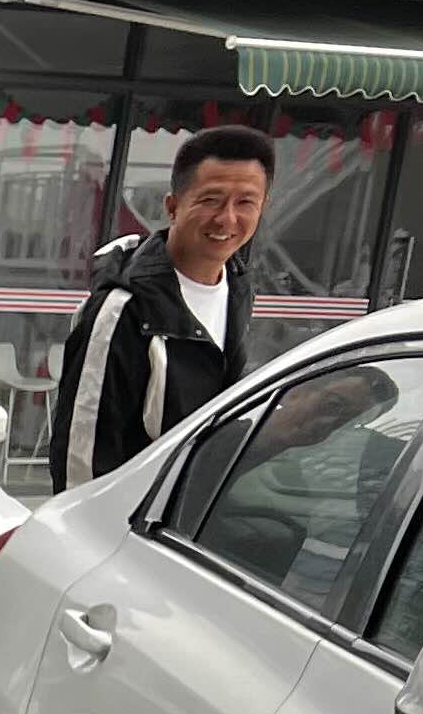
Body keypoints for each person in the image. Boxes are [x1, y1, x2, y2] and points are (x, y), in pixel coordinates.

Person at [49, 124, 274, 490]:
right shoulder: (123, 309)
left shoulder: (238, 288)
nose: (227, 219)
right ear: (172, 206)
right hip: (133, 515)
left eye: (245, 203)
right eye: (211, 200)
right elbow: (81, 460)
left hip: (196, 509)